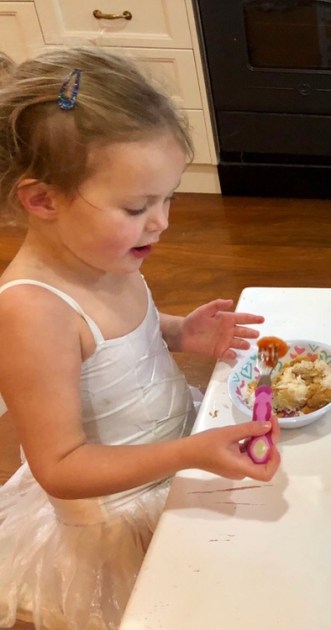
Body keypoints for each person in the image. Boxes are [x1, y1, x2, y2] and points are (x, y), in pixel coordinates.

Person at [0, 47, 281, 629]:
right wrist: (189, 455)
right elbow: (61, 466)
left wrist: (178, 331)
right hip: (119, 516)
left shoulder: (102, 253)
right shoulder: (31, 312)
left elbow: (115, 341)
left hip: (175, 453)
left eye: (168, 197)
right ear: (42, 200)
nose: (162, 221)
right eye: (137, 206)